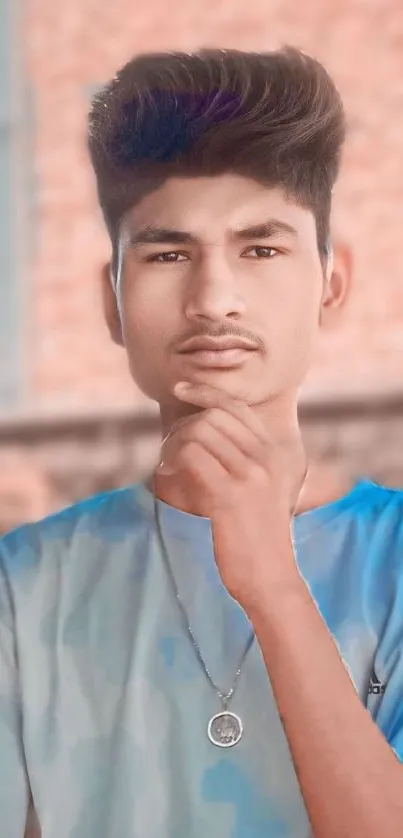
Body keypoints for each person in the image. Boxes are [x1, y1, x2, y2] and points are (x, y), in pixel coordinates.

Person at [1, 47, 402, 838]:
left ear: (331, 281)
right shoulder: (26, 584)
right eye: (167, 253)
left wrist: (272, 584)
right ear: (110, 302)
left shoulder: (391, 556)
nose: (213, 299)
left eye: (260, 248)